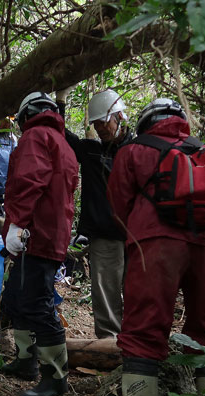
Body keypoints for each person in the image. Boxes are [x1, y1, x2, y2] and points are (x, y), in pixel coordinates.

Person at [95, 98, 205, 396]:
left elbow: (119, 205)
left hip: (158, 244)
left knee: (144, 329)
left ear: (145, 122)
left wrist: (143, 234)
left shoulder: (133, 151)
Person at [0, 92, 78, 396]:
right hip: (49, 234)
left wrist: (17, 222)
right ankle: (25, 360)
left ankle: (55, 378)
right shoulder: (61, 142)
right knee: (20, 297)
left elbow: (28, 181)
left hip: (36, 234)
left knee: (38, 304)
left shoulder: (36, 136)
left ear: (25, 115)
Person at [56, 88, 131, 339]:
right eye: (95, 124)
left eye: (103, 122)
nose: (99, 128)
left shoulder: (140, 150)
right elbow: (60, 134)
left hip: (138, 237)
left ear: (119, 117)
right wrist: (61, 100)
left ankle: (137, 345)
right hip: (105, 236)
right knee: (106, 296)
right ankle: (109, 347)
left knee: (139, 294)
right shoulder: (91, 152)